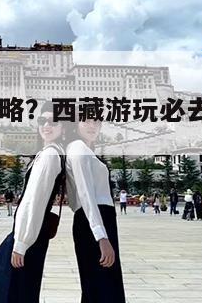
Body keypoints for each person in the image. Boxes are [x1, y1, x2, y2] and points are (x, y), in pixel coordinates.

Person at [0, 102, 66, 303]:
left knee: (0, 289)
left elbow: (33, 202)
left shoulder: (50, 155)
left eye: (53, 121)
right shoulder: (52, 153)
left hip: (27, 237)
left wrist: (21, 243)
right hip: (32, 236)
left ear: (63, 127)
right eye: (42, 120)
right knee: (17, 291)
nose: (47, 125)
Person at [65, 117, 126, 302]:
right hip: (94, 222)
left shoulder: (84, 150)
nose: (92, 126)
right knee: (102, 288)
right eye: (86, 121)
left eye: (96, 122)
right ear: (76, 124)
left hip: (97, 219)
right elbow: (85, 195)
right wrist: (101, 236)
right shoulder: (78, 148)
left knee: (102, 287)